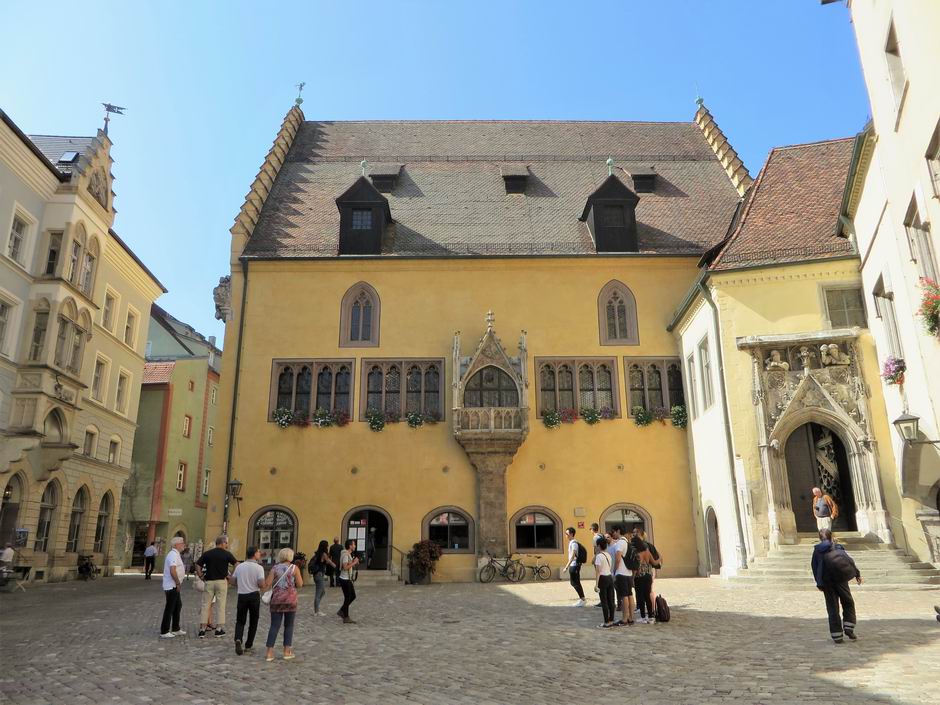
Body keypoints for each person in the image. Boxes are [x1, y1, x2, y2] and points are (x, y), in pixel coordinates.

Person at [811, 528, 862, 644]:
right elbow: (849, 561)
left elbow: (814, 567)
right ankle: (849, 627)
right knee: (848, 603)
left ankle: (837, 636)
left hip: (827, 583)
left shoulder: (817, 551)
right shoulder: (837, 547)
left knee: (832, 608)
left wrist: (819, 583)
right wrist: (857, 574)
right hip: (841, 580)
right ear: (831, 536)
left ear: (820, 538)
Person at [262, 547, 302, 661]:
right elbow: (300, 584)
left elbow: (268, 583)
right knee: (289, 626)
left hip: (277, 600)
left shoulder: (275, 568)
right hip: (290, 600)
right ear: (291, 556)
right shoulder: (295, 568)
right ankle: (286, 651)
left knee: (274, 625)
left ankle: (269, 653)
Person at [195, 535, 238, 638]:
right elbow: (236, 563)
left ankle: (202, 629)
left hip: (209, 581)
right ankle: (218, 629)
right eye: (226, 543)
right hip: (221, 581)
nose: (227, 545)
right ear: (223, 543)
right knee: (221, 605)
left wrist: (201, 576)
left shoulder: (208, 554)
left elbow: (198, 565)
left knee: (206, 605)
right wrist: (231, 575)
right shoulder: (227, 554)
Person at [230, 545, 265, 655]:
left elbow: (232, 581)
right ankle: (249, 645)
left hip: (242, 595)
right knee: (253, 621)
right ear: (254, 554)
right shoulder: (259, 568)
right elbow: (261, 584)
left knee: (240, 620)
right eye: (258, 552)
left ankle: (238, 638)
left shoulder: (240, 567)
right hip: (254, 595)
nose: (260, 553)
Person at [159, 536, 187, 638]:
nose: (184, 544)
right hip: (171, 586)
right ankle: (164, 630)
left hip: (174, 585)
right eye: (182, 542)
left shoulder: (176, 554)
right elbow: (172, 570)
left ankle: (176, 628)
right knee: (170, 607)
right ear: (176, 545)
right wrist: (178, 583)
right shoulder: (172, 555)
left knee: (177, 605)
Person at [608, 525, 635, 626]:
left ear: (618, 531)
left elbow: (618, 559)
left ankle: (624, 619)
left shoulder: (620, 543)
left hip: (621, 573)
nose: (613, 533)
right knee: (630, 595)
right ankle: (631, 618)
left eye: (614, 531)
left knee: (624, 597)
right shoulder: (627, 542)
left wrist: (614, 571)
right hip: (628, 572)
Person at [631, 535, 655, 624]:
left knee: (640, 597)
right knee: (647, 596)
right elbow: (654, 562)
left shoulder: (637, 554)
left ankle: (643, 617)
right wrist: (660, 557)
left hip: (639, 577)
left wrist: (632, 579)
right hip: (648, 576)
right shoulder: (647, 552)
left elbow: (636, 569)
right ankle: (651, 616)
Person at [310, 540, 336, 617]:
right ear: (325, 546)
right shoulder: (323, 554)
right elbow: (329, 562)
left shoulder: (318, 553)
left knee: (323, 592)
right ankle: (316, 611)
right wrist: (337, 567)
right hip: (319, 575)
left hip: (318, 575)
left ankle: (317, 609)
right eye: (327, 545)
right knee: (318, 593)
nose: (328, 547)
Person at [594, 537, 615, 628]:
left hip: (602, 578)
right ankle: (611, 620)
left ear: (599, 546)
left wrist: (596, 584)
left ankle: (606, 622)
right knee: (611, 600)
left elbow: (598, 571)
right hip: (609, 577)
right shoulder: (608, 555)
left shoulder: (599, 556)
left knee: (604, 601)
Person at [337, 539, 360, 624]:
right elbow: (345, 567)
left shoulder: (348, 554)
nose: (355, 546)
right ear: (350, 546)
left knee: (353, 596)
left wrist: (354, 562)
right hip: (344, 579)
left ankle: (342, 610)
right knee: (348, 598)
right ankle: (346, 617)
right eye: (354, 544)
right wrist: (354, 563)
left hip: (347, 579)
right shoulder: (346, 555)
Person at [564, 527, 586, 606]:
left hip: (574, 565)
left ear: (571, 534)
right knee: (574, 582)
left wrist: (566, 566)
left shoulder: (574, 543)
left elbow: (572, 556)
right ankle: (582, 599)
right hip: (574, 565)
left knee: (575, 582)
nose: (566, 535)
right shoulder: (572, 542)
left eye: (567, 534)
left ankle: (582, 599)